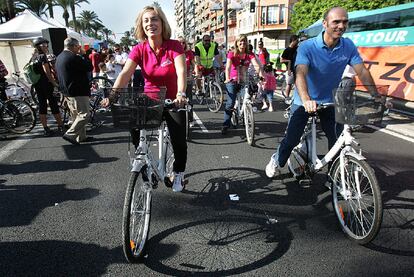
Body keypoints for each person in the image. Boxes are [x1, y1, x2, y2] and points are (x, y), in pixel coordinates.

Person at [265, 7, 380, 178]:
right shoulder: (307, 46)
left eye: (345, 22)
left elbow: (362, 71)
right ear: (325, 23)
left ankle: (335, 177)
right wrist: (306, 99)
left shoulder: (347, 45)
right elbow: (301, 73)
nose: (341, 26)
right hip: (304, 100)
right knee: (292, 139)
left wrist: (376, 96)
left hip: (330, 101)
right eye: (336, 22)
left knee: (338, 140)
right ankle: (277, 159)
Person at [101, 5, 187, 192]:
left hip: (173, 100)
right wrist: (113, 95)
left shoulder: (174, 46)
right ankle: (144, 160)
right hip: (150, 99)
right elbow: (125, 73)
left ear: (162, 22)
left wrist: (181, 94)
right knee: (132, 122)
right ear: (142, 25)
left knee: (179, 140)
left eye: (154, 19)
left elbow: (181, 72)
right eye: (146, 20)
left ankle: (179, 173)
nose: (150, 23)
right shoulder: (139, 49)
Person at [222, 35, 263, 135]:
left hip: (244, 80)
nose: (242, 43)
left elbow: (256, 65)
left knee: (247, 97)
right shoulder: (232, 53)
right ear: (236, 43)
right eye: (240, 41)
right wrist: (227, 78)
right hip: (232, 80)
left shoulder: (249, 54)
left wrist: (261, 75)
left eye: (244, 41)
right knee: (230, 103)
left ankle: (246, 115)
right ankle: (225, 124)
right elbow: (227, 67)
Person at [55, 37, 93, 145]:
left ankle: (81, 137)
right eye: (78, 47)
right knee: (84, 114)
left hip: (67, 91)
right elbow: (89, 67)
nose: (79, 49)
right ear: (74, 46)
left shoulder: (60, 57)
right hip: (78, 90)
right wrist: (84, 55)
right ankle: (70, 134)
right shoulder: (73, 57)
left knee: (76, 115)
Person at [31, 37, 64, 136]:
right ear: (39, 46)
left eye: (46, 45)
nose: (46, 47)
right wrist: (55, 84)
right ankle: (60, 126)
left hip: (37, 85)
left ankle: (45, 129)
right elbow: (47, 73)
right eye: (44, 45)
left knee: (42, 105)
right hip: (46, 84)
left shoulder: (33, 58)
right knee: (53, 104)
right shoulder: (42, 57)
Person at [281, 35, 299, 101]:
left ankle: (296, 97)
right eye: (297, 40)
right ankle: (286, 97)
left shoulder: (297, 48)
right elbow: (281, 60)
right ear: (293, 41)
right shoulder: (287, 50)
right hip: (289, 70)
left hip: (297, 69)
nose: (298, 42)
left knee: (298, 83)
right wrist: (288, 61)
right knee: (289, 84)